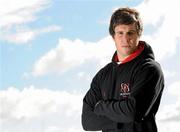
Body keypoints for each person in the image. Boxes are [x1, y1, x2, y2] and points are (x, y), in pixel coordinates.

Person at [81, 7, 164, 132]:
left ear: (138, 35)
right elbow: (87, 122)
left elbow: (133, 112)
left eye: (130, 32)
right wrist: (121, 117)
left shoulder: (150, 69)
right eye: (120, 33)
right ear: (113, 36)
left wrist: (101, 106)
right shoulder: (102, 75)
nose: (125, 39)